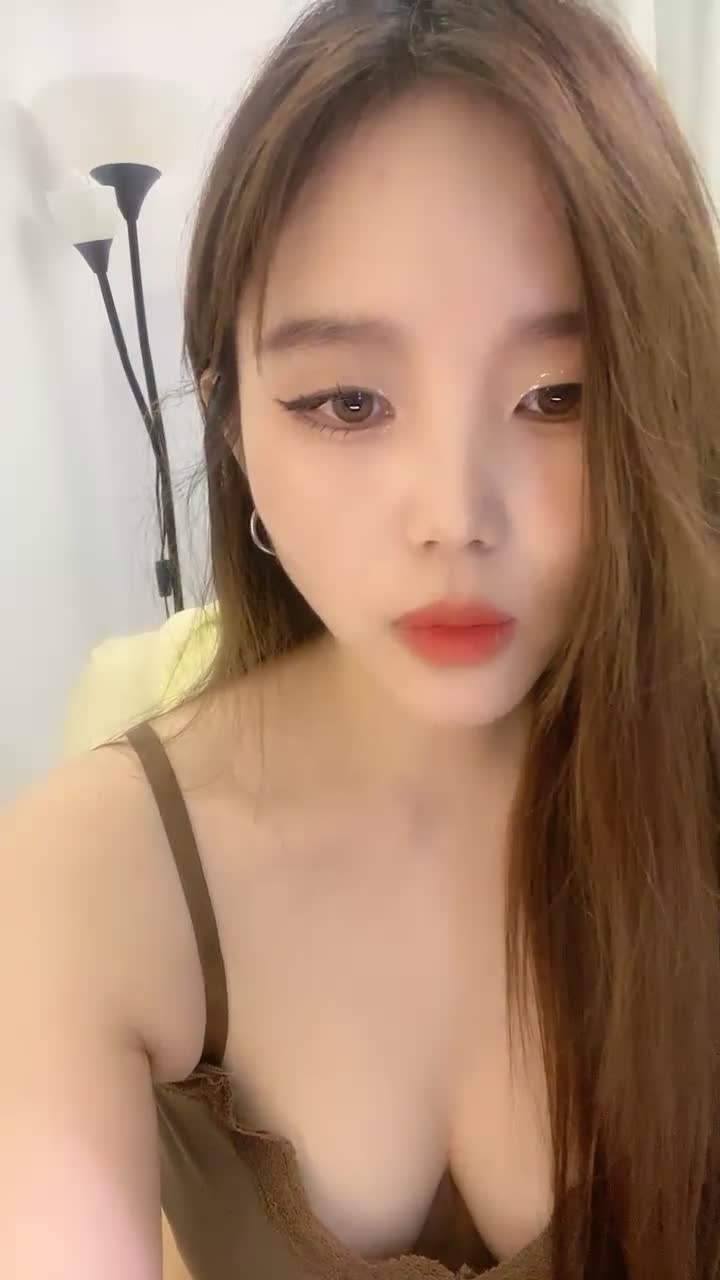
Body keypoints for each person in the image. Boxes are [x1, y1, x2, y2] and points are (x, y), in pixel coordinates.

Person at [2, 0, 719, 1277]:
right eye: (347, 401)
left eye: (559, 395)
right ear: (232, 423)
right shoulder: (88, 873)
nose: (453, 515)